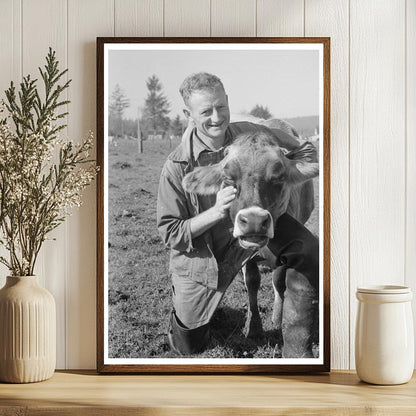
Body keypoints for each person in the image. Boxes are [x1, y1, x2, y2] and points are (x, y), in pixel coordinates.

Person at [157, 72, 319, 355]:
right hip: (206, 253)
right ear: (189, 114)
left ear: (228, 101)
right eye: (206, 111)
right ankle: (192, 313)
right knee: (189, 345)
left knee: (308, 249)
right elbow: (170, 232)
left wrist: (297, 151)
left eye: (221, 107)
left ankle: (296, 352)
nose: (217, 117)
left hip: (254, 220)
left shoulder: (248, 133)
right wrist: (217, 211)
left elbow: (291, 141)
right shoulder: (176, 166)